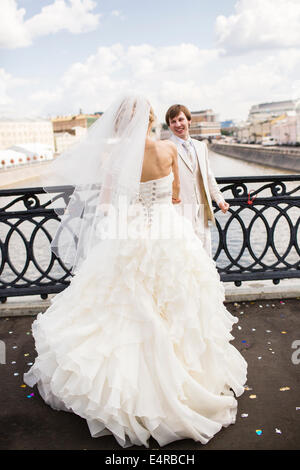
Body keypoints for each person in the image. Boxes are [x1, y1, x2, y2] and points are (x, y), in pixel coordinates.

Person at [24, 94, 247, 449]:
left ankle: (126, 390)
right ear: (152, 120)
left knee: (125, 302)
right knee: (179, 300)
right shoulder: (169, 151)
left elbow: (109, 204)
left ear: (121, 123)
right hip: (168, 232)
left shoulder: (114, 158)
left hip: (131, 234)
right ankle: (188, 375)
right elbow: (175, 195)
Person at [166, 104, 230, 257]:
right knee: (183, 259)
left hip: (201, 213)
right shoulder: (166, 147)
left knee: (204, 258)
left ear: (189, 121)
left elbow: (208, 176)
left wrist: (219, 199)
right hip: (178, 213)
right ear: (169, 125)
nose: (178, 125)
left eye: (181, 119)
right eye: (173, 121)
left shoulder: (201, 146)